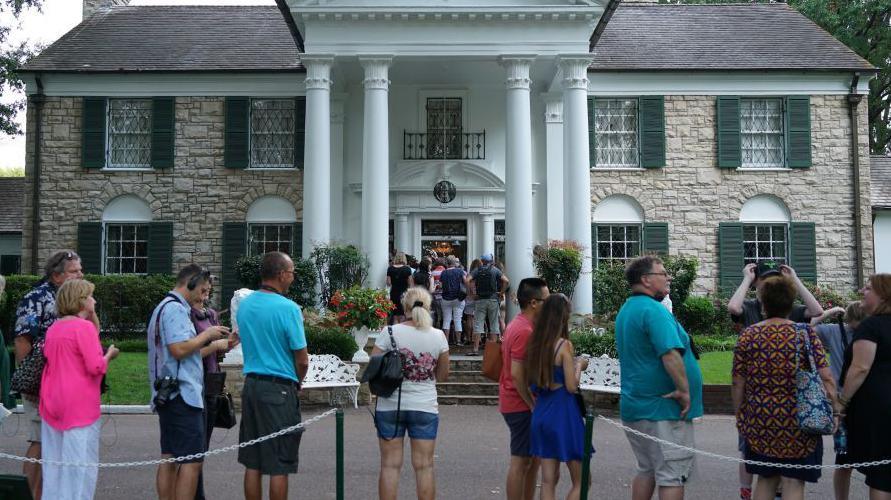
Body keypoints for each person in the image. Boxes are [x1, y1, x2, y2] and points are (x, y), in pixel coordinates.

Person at [731, 274, 837, 500]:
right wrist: (836, 408)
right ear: (791, 303)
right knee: (793, 480)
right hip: (798, 420)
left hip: (761, 418)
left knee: (766, 479)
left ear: (764, 304)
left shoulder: (749, 335)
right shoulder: (805, 333)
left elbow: (738, 381)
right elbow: (826, 376)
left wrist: (739, 413)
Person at [615, 255, 703, 500]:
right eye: (663, 273)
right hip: (662, 409)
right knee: (672, 475)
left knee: (647, 470)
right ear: (646, 279)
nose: (668, 278)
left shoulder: (628, 309)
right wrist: (684, 391)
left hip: (638, 405)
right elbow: (670, 354)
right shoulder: (653, 310)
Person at [148, 264, 229, 500]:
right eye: (202, 291)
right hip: (181, 394)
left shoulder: (164, 306)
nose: (204, 297)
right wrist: (208, 336)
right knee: (192, 462)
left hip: (171, 393)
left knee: (170, 457)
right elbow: (178, 349)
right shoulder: (174, 309)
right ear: (190, 283)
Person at [236, 252, 309, 500]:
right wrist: (298, 382)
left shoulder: (245, 304)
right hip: (279, 388)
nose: (293, 277)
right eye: (291, 273)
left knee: (253, 461)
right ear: (280, 275)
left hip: (252, 385)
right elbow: (302, 359)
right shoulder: (288, 308)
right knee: (280, 462)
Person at [39, 279, 119, 500]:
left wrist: (92, 317)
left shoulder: (54, 328)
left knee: (53, 464)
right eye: (90, 296)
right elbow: (96, 365)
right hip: (78, 403)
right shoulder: (83, 328)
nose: (94, 300)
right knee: (79, 465)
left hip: (51, 399)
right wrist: (109, 355)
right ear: (82, 301)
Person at [13, 250, 83, 500]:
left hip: (65, 385)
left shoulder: (73, 299)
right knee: (40, 441)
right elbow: (23, 340)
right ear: (56, 275)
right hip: (40, 384)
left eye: (80, 269)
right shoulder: (35, 298)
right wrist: (30, 385)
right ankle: (29, 495)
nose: (81, 275)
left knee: (56, 444)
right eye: (75, 271)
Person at [372, 286, 449, 500]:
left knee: (389, 465)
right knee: (424, 466)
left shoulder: (389, 332)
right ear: (429, 306)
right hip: (424, 405)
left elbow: (373, 365)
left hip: (390, 405)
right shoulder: (438, 336)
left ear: (404, 306)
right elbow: (443, 374)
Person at [525, 293, 589, 500]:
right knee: (582, 480)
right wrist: (579, 365)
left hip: (542, 411)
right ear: (563, 317)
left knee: (547, 480)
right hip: (563, 413)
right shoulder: (564, 346)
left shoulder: (535, 345)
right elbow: (571, 386)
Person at [839, 274, 891, 499]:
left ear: (883, 296)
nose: (861, 291)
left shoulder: (871, 326)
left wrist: (842, 402)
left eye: (868, 288)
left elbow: (860, 368)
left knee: (881, 474)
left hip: (878, 408)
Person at [500, 277, 549, 500]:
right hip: (519, 403)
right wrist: (532, 404)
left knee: (531, 461)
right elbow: (517, 375)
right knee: (521, 461)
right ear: (533, 302)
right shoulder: (524, 330)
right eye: (545, 300)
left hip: (516, 401)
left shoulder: (519, 324)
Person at [811, 302, 866, 500]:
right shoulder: (837, 331)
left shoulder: (836, 331)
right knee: (846, 460)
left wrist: (829, 313)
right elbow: (806, 327)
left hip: (843, 401)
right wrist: (830, 312)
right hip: (853, 400)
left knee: (845, 460)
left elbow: (808, 326)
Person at [189, 282, 236, 500]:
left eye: (209, 288)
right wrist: (215, 346)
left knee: (202, 448)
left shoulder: (211, 314)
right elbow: (187, 354)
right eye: (203, 288)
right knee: (192, 451)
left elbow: (216, 352)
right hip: (193, 383)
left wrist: (229, 343)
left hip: (212, 383)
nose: (207, 292)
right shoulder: (185, 314)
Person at [467, 253, 509, 356]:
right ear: (491, 261)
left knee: (478, 325)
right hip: (493, 300)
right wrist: (501, 293)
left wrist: (472, 293)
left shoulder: (477, 270)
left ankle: (475, 349)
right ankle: (493, 351)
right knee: (494, 324)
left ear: (482, 260)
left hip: (480, 300)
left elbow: (467, 280)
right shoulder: (495, 270)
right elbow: (506, 281)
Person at [440, 256, 466, 345]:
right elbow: (465, 282)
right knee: (458, 319)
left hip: (446, 298)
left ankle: (445, 341)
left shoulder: (443, 273)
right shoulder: (459, 271)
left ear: (447, 263)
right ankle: (458, 341)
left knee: (446, 320)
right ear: (454, 262)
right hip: (458, 298)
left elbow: (441, 285)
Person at [387, 252, 413, 324]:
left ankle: (395, 332)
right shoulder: (407, 269)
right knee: (402, 315)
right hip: (404, 294)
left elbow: (388, 283)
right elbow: (410, 284)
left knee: (395, 315)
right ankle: (401, 332)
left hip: (394, 293)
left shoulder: (390, 269)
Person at [462, 259, 481, 342]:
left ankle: (468, 337)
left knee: (469, 318)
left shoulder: (469, 275)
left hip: (469, 298)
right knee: (477, 319)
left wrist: (469, 293)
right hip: (478, 298)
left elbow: (466, 285)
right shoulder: (481, 274)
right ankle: (476, 338)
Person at [430, 258, 447, 329]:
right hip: (444, 296)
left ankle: (435, 328)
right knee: (444, 314)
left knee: (436, 313)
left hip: (435, 296)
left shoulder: (432, 272)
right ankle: (442, 329)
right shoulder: (446, 272)